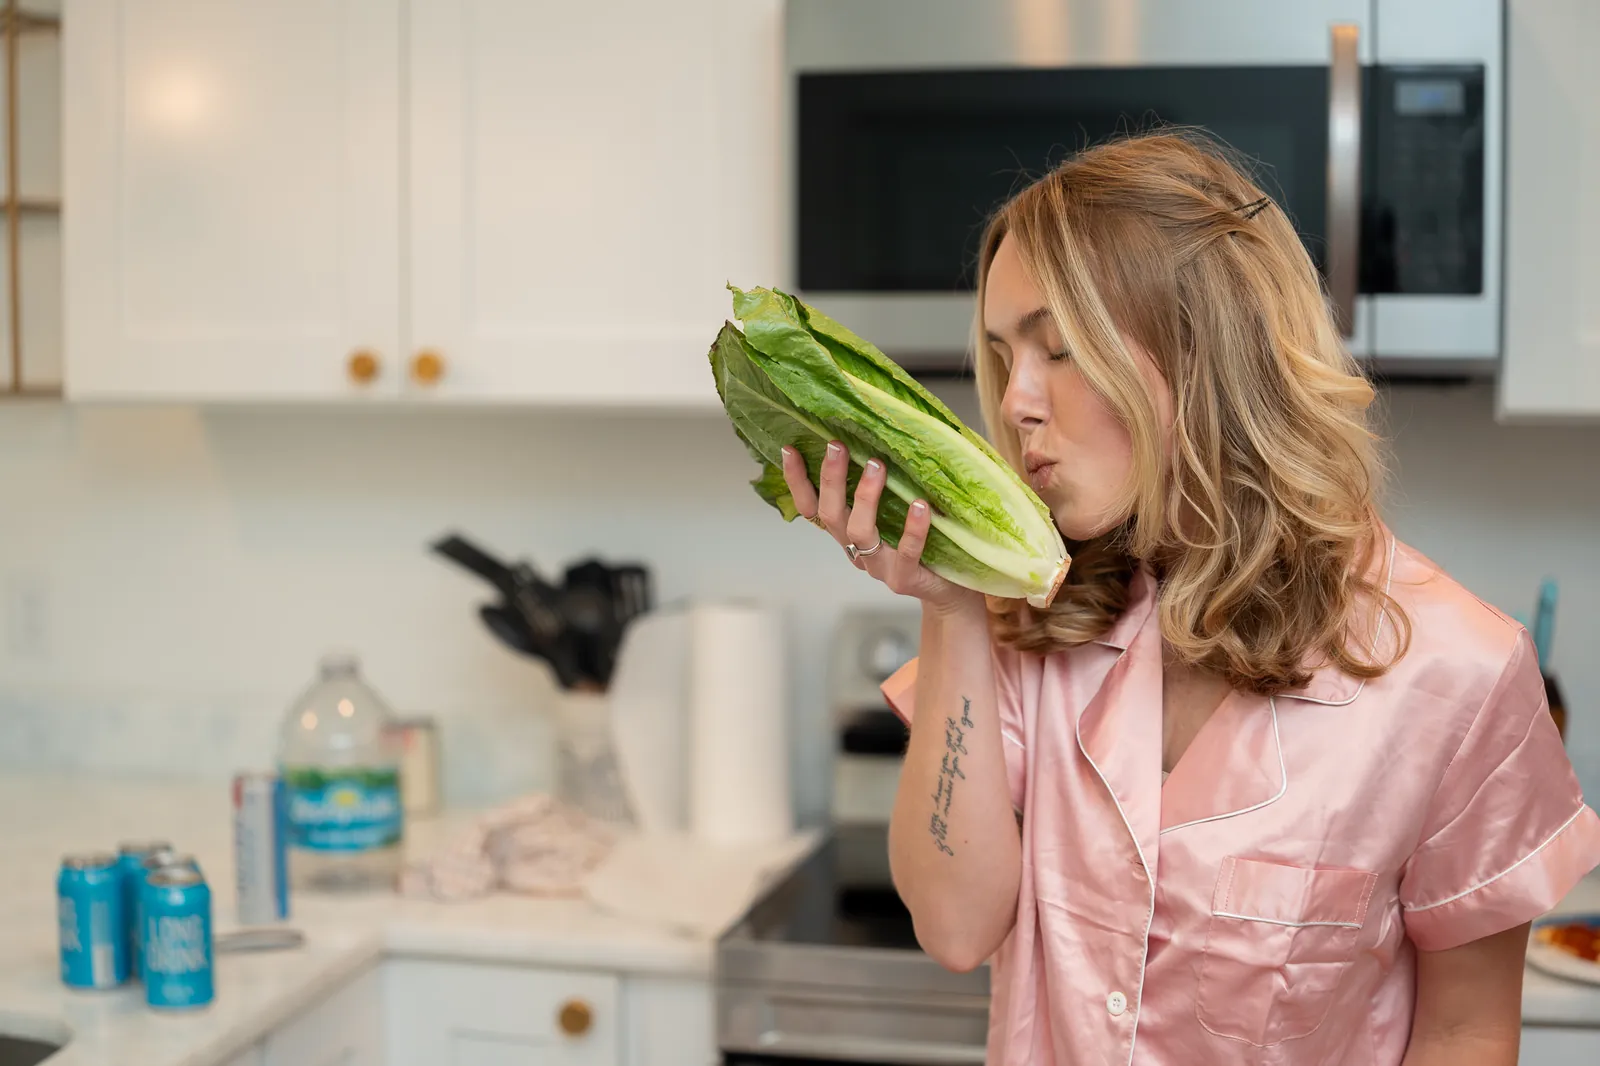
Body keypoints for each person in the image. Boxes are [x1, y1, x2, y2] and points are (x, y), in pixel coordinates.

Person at [777, 131, 1600, 1066]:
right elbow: (955, 930)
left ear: (1207, 352)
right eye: (1007, 357)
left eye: (1063, 349)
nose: (1015, 404)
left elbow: (1466, 1031)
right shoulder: (1026, 623)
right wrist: (950, 606)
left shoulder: (1458, 672)